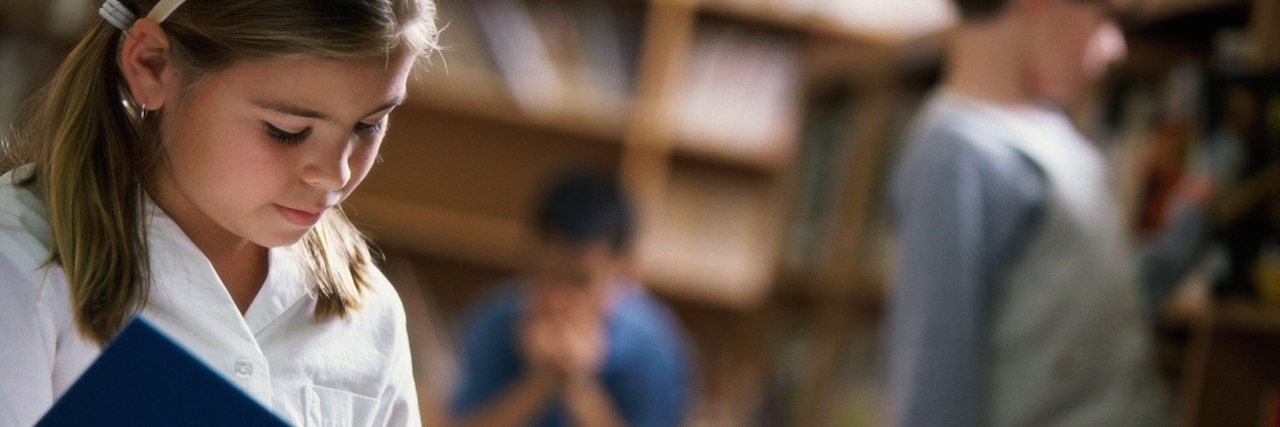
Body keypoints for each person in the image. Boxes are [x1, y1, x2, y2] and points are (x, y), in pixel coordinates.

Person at [0, 0, 438, 425]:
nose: (335, 174)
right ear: (151, 65)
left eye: (369, 125)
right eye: (287, 131)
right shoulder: (19, 264)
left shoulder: (370, 312)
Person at [884, 0, 1211, 425]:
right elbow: (934, 381)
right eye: (1102, 15)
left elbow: (1085, 321)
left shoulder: (1063, 143)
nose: (1115, 47)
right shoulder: (956, 157)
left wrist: (1186, 234)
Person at [451, 172, 692, 427]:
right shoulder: (495, 321)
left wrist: (577, 383)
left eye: (581, 282)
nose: (560, 298)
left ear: (624, 268)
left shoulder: (653, 347)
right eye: (549, 274)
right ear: (531, 253)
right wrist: (541, 382)